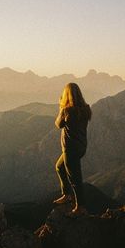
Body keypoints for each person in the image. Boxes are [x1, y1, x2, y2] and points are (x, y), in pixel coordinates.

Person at [54, 82, 91, 214]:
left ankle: (80, 207)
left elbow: (58, 124)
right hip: (81, 146)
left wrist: (61, 108)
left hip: (70, 149)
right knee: (59, 167)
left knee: (75, 178)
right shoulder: (86, 109)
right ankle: (67, 195)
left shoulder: (67, 111)